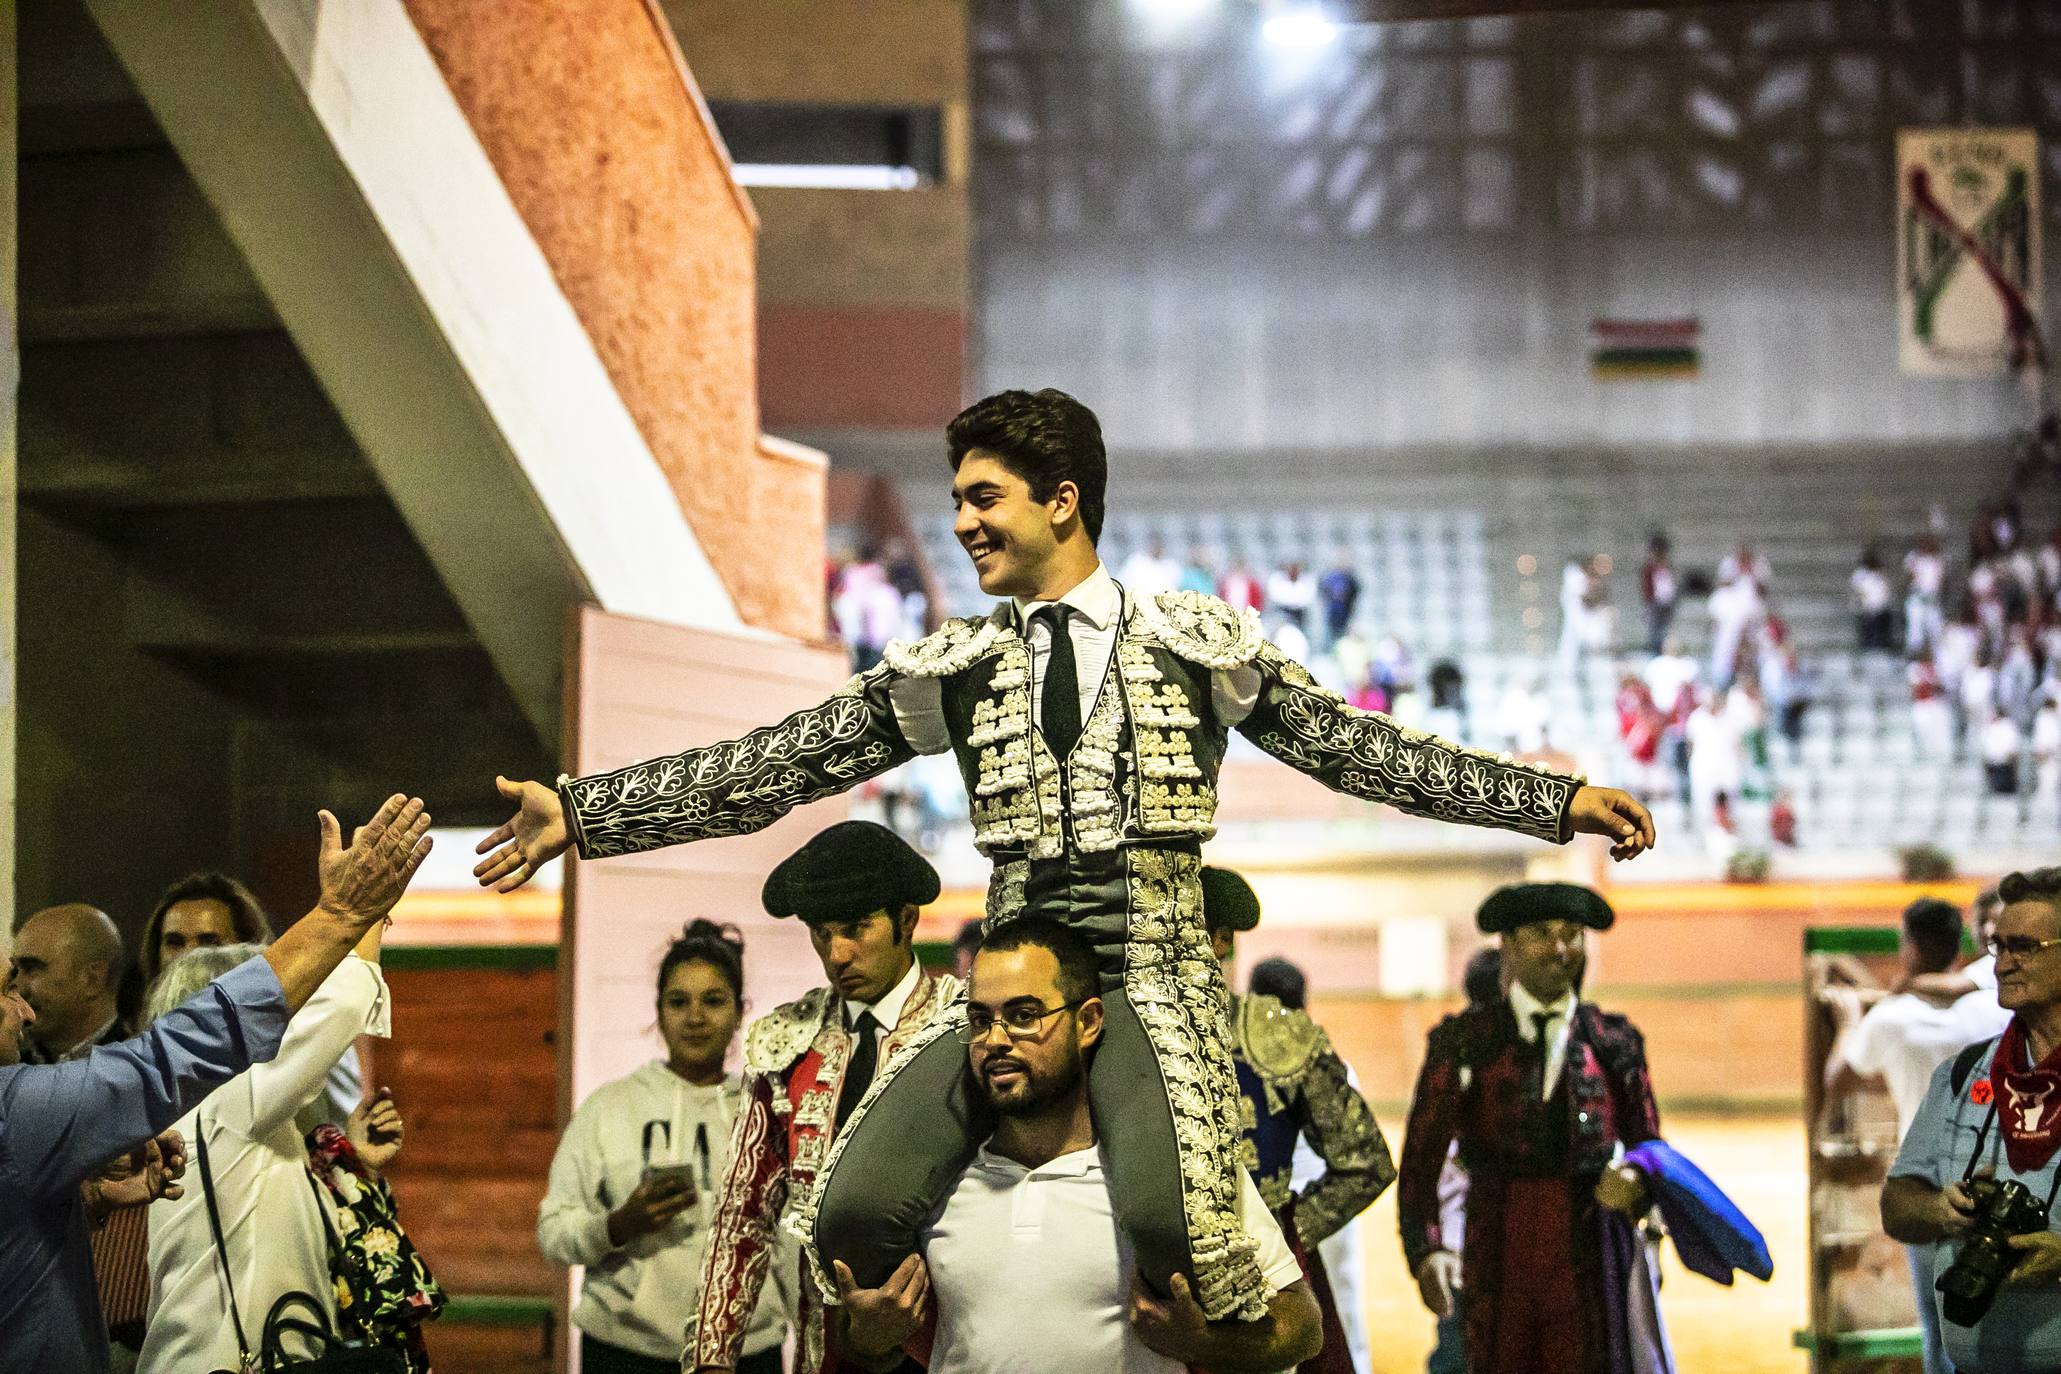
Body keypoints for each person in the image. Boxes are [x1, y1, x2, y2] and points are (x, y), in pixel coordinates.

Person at [479, 388, 1655, 1322]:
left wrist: (1550, 802)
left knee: (1172, 1229)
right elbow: (786, 761)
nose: (961, 523)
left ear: (1063, 499)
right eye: (955, 500)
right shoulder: (959, 664)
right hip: (1007, 979)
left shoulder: (1194, 642)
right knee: (853, 1212)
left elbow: (1359, 751)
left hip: (1150, 976)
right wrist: (587, 816)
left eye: (983, 497)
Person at [0, 794, 433, 1374]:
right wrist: (355, 911)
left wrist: (88, 1199)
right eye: (8, 987)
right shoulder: (223, 1093)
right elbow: (326, 1006)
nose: (24, 1010)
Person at [835, 917, 1323, 1373]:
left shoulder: (1171, 1169)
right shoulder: (933, 1184)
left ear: (1088, 1022)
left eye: (1024, 1015)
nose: (996, 1040)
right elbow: (871, 1342)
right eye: (981, 1021)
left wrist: (1203, 1346)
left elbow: (1303, 1327)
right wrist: (868, 1336)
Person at [687, 822, 959, 1374]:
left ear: (906, 920)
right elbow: (743, 1215)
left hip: (953, 1335)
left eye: (858, 928)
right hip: (827, 1343)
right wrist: (713, 1360)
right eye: (821, 932)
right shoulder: (788, 1041)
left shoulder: (964, 1027)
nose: (836, 954)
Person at [1398, 883, 1666, 1374]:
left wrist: (1637, 1180)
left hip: (1590, 1254)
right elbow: (1420, 1160)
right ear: (1510, 946)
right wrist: (1428, 1247)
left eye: (1571, 935)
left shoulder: (1614, 1042)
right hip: (1495, 1254)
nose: (1560, 948)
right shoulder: (1463, 1042)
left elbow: (1651, 1147)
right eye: (1542, 934)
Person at [140, 892, 399, 1371]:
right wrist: (364, 908)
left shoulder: (219, 1111)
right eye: (279, 1010)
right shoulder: (227, 1096)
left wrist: (356, 1162)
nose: (291, 1022)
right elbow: (343, 1006)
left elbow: (286, 1236)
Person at [542, 920, 791, 1374]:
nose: (695, 1017)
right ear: (658, 1011)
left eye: (713, 1001)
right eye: (679, 1002)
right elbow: (554, 1232)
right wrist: (618, 1225)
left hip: (746, 1351)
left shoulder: (770, 1113)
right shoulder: (610, 1107)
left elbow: (792, 1240)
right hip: (625, 1349)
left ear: (740, 1012)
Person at [1204, 867, 1391, 1374]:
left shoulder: (1280, 1035)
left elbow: (1367, 1162)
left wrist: (1289, 1230)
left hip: (1273, 1275)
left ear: (1221, 941)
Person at [1882, 867, 2061, 1374]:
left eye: (2024, 946)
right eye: (1997, 947)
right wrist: (1942, 1209)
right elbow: (1898, 1203)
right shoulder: (1962, 1074)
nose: (2003, 963)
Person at [1823, 898, 2010, 1374]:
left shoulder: (1891, 1018)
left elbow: (1839, 1077)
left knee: (1938, 1328)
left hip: (1926, 1177)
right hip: (1995, 1170)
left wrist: (1848, 1023)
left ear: (1909, 948)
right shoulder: (1995, 1008)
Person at [143, 870, 362, 1130]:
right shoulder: (141, 1049)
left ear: (245, 950)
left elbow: (345, 1127)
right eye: (175, 942)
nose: (190, 956)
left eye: (209, 942)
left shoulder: (302, 1031)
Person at [1425, 947, 1507, 1374]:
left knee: (1456, 1353)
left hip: (1456, 1246)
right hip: (1490, 1245)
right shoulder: (1494, 1059)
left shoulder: (1453, 1055)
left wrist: (1432, 1244)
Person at [12, 904, 128, 1063]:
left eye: (32, 968)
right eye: (14, 971)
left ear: (92, 980)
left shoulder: (142, 1073)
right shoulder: (9, 1071)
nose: (17, 988)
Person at [1641, 534, 1678, 657]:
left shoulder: (1667, 567)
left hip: (1667, 603)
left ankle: (1664, 654)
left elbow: (1670, 585)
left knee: (1665, 632)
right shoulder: (1650, 568)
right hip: (1655, 604)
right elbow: (1647, 588)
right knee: (1655, 633)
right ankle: (1655, 655)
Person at [1318, 556, 1361, 650]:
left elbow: (1355, 593)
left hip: (1345, 613)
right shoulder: (1330, 578)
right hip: (1331, 613)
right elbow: (1323, 591)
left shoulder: (1350, 579)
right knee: (1329, 637)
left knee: (1343, 639)